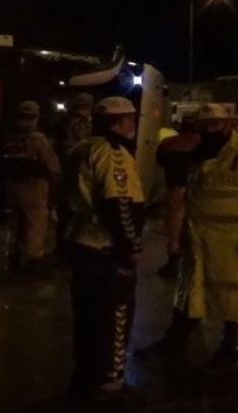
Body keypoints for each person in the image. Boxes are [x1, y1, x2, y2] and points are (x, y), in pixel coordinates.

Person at [136, 103, 238, 373]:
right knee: (188, 294)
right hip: (196, 238)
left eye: (215, 125)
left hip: (229, 243)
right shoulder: (196, 153)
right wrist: (177, 237)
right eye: (204, 126)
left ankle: (231, 349)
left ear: (229, 124)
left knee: (231, 298)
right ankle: (174, 340)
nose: (209, 130)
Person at [62, 96, 145, 400]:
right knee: (114, 316)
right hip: (104, 246)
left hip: (80, 241)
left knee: (87, 318)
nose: (133, 124)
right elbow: (119, 204)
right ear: (120, 122)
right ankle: (110, 384)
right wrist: (131, 246)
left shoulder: (80, 148)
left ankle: (85, 379)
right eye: (130, 119)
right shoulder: (113, 153)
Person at [2, 100, 59, 274]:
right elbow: (51, 163)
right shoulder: (36, 137)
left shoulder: (10, 136)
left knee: (16, 222)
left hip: (13, 185)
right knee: (35, 223)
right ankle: (33, 260)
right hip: (33, 186)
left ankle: (14, 256)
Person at [154, 111, 200, 279]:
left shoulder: (168, 142)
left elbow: (160, 160)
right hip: (197, 186)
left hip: (175, 185)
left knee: (174, 222)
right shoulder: (203, 142)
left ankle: (173, 261)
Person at [54, 92, 94, 255]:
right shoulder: (81, 123)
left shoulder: (64, 120)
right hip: (74, 172)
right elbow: (83, 146)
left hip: (63, 170)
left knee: (63, 212)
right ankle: (69, 249)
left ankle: (61, 247)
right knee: (75, 212)